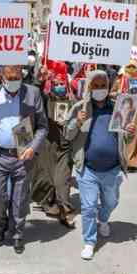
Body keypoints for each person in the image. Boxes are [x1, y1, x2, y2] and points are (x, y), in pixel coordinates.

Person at [0, 65, 48, 254]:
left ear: (22, 76)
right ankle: (1, 225)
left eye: (17, 77)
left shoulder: (33, 93)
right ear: (2, 78)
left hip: (22, 153)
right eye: (9, 78)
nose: (13, 81)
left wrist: (33, 148)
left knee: (20, 198)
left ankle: (17, 232)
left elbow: (43, 126)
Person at [64, 70, 131, 260]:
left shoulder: (118, 108)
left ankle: (103, 220)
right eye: (96, 86)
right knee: (88, 206)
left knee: (111, 202)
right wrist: (77, 121)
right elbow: (67, 135)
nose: (100, 89)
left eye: (103, 86)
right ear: (89, 88)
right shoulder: (80, 107)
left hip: (112, 168)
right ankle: (89, 241)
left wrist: (130, 130)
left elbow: (126, 136)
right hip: (88, 169)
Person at [31, 70, 77, 228]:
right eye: (56, 84)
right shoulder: (46, 101)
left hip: (65, 148)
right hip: (47, 147)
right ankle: (49, 203)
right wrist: (40, 81)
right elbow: (36, 94)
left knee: (61, 181)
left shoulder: (73, 103)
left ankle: (66, 211)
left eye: (61, 84)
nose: (59, 87)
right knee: (45, 179)